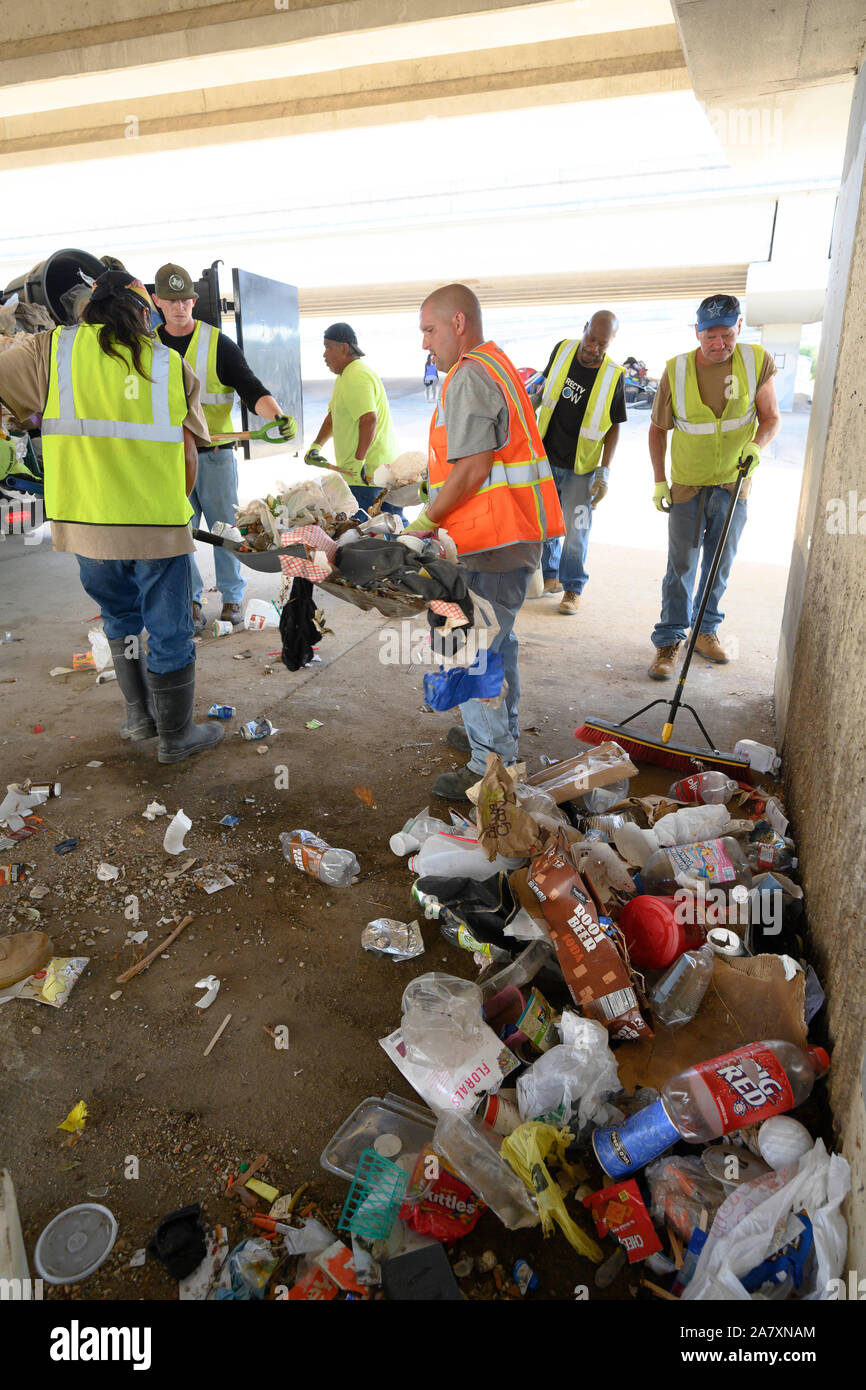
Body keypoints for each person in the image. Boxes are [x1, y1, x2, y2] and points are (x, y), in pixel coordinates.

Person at [0, 269, 224, 764]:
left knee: (120, 620)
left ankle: (138, 717)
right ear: (144, 313)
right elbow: (188, 457)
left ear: (88, 309)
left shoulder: (51, 351)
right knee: (169, 631)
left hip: (85, 526)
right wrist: (174, 510)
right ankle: (176, 735)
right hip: (155, 528)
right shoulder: (168, 364)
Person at [411, 283, 565, 800]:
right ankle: (495, 738)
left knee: (472, 648)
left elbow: (473, 469)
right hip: (508, 539)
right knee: (497, 644)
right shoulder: (493, 362)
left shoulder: (470, 374)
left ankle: (489, 767)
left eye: (430, 331)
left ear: (458, 324)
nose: (426, 344)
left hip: (490, 543)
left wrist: (422, 522)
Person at [152, 263, 296, 632]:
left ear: (194, 301)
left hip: (214, 458)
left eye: (185, 299)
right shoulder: (147, 347)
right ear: (157, 302)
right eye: (171, 301)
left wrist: (276, 415)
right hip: (167, 462)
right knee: (178, 535)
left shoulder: (217, 343)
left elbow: (251, 388)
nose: (179, 307)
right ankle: (191, 600)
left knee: (225, 533)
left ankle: (232, 599)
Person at [647, 293, 780, 679]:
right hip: (687, 485)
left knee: (719, 563)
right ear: (697, 332)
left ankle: (705, 630)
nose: (719, 344)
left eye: (727, 335)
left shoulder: (757, 361)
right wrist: (659, 481)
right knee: (681, 565)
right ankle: (669, 639)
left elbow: (770, 418)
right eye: (710, 336)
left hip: (733, 485)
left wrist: (757, 445)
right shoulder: (677, 369)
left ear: (739, 327)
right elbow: (657, 432)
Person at [531, 311, 625, 615]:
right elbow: (546, 390)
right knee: (545, 525)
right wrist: (523, 409)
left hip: (581, 468)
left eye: (602, 343)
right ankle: (550, 576)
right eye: (591, 338)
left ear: (612, 341)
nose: (594, 347)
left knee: (576, 531)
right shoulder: (562, 350)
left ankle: (572, 588)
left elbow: (613, 426)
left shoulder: (614, 375)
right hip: (545, 456)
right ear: (584, 329)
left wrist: (604, 471)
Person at [304, 322, 402, 518]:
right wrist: (316, 446)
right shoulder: (345, 377)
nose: (324, 355)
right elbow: (332, 419)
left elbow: (369, 420)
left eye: (328, 347)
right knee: (390, 527)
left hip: (367, 476)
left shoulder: (356, 375)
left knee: (367, 532)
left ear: (344, 348)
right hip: (368, 473)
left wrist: (358, 461)